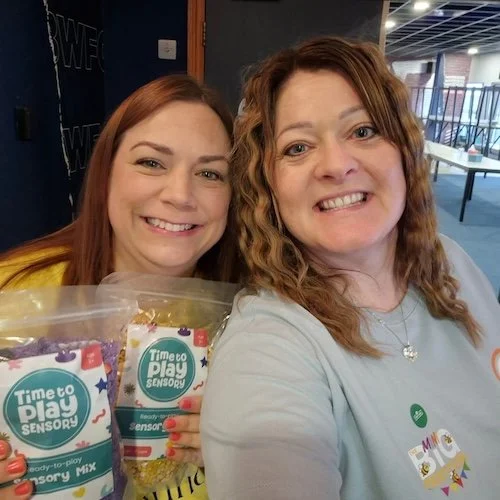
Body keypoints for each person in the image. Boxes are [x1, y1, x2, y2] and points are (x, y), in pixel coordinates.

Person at [201, 36, 500, 499]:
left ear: (402, 150)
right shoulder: (267, 348)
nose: (336, 165)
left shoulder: (451, 261)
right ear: (268, 184)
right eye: (297, 148)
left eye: (362, 131)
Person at [0, 74, 240, 500]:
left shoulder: (249, 315)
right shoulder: (14, 293)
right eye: (151, 162)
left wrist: (244, 448)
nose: (181, 195)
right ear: (106, 171)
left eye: (209, 172)